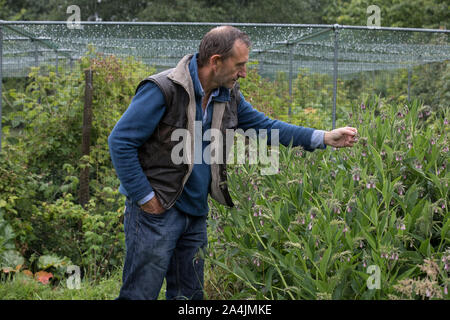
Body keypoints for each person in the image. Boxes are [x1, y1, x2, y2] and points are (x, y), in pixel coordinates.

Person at [108, 25, 357, 300]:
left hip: (195, 214)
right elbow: (120, 141)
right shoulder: (164, 89)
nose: (244, 73)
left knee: (189, 297)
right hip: (157, 212)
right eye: (239, 65)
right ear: (216, 61)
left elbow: (266, 127)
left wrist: (323, 137)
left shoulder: (228, 96)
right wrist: (145, 198)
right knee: (140, 294)